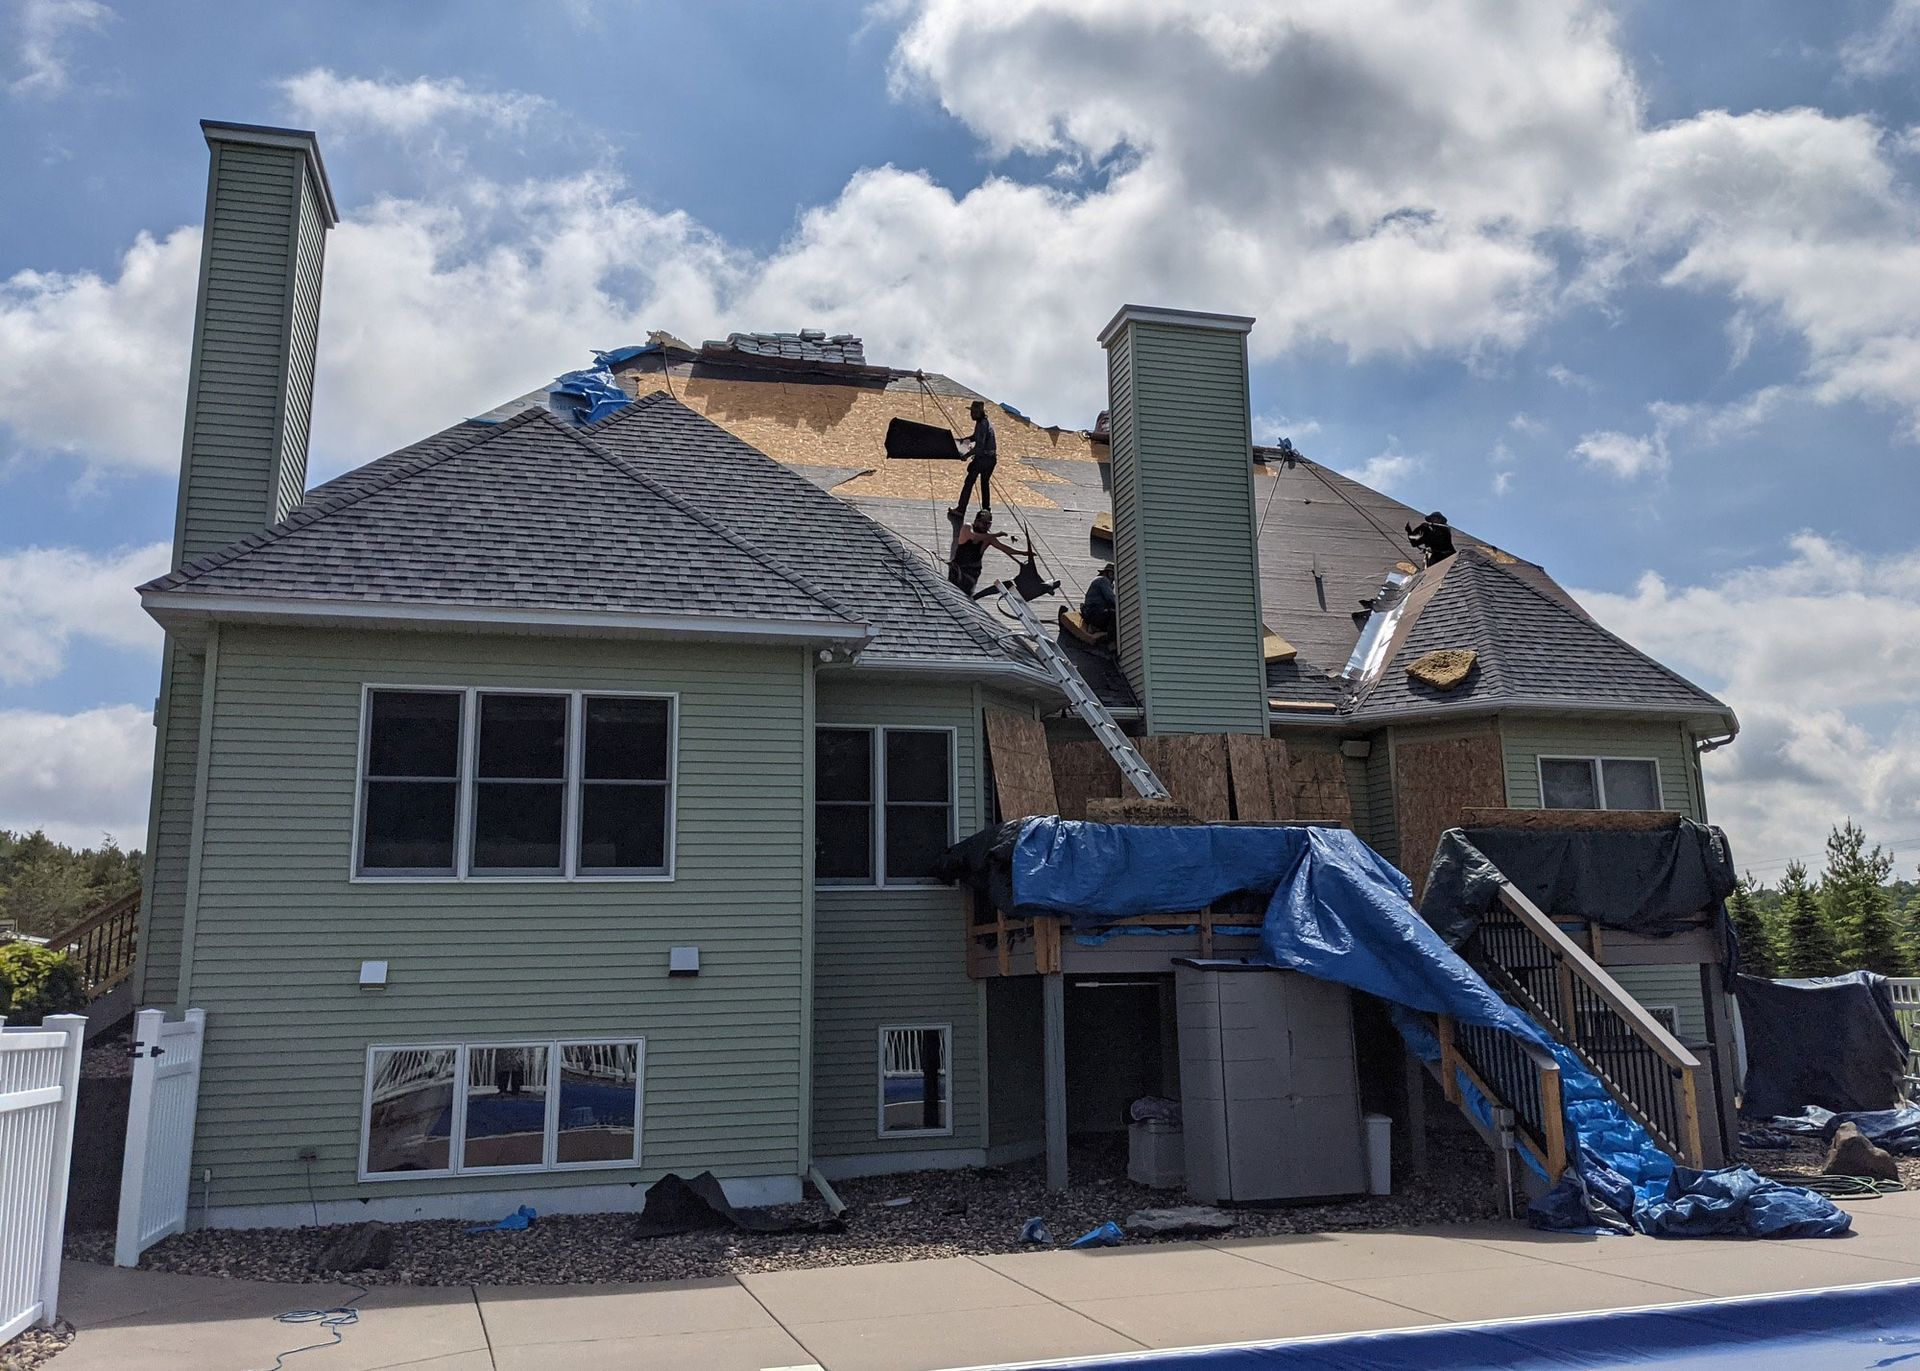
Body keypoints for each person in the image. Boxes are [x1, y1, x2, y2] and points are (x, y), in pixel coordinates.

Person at [948, 510, 1026, 597]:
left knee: (966, 595)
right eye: (983, 523)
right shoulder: (967, 527)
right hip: (959, 568)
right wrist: (996, 535)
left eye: (988, 524)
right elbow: (974, 536)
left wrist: (1022, 553)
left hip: (972, 572)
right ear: (976, 522)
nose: (986, 526)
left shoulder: (988, 537)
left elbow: (1004, 548)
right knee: (952, 592)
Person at [948, 400, 998, 522]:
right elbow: (976, 437)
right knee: (984, 483)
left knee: (969, 482)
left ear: (978, 413)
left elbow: (979, 447)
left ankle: (961, 510)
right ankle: (986, 511)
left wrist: (966, 455)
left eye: (973, 412)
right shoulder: (984, 422)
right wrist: (966, 439)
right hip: (991, 459)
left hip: (983, 458)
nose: (971, 415)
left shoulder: (982, 424)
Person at [1081, 562, 1117, 638]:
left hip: (1093, 612)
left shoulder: (1103, 582)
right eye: (1113, 575)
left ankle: (1099, 629)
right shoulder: (1102, 580)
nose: (1113, 579)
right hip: (1094, 613)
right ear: (1109, 573)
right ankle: (1110, 642)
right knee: (1114, 615)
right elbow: (1111, 599)